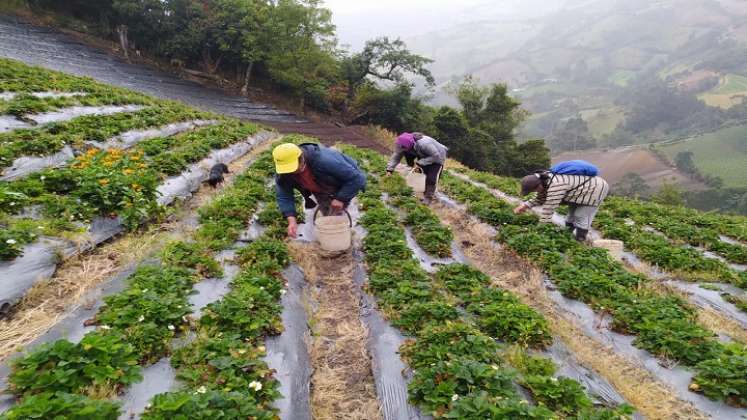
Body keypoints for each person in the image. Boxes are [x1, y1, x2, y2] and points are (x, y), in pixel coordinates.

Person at [273, 142, 367, 238]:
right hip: (319, 188)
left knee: (339, 211)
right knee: (328, 213)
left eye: (292, 168)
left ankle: (343, 236)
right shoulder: (284, 173)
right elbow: (284, 195)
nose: (290, 172)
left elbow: (357, 179)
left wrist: (341, 198)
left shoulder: (324, 161)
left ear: (301, 159)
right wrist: (291, 220)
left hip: (342, 182)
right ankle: (331, 238)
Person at [513, 168, 609, 242]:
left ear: (539, 185)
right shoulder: (545, 182)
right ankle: (567, 236)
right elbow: (540, 198)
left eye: (533, 190)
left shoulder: (556, 185)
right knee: (570, 216)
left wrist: (540, 230)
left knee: (581, 216)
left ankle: (580, 241)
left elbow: (549, 209)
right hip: (577, 192)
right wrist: (524, 206)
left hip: (595, 189)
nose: (533, 192)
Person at [386, 132, 448, 204]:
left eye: (406, 149)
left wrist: (420, 163)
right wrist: (389, 170)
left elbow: (435, 156)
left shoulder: (424, 144)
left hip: (438, 156)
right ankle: (419, 193)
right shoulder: (401, 143)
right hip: (423, 154)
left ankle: (428, 197)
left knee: (431, 177)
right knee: (419, 174)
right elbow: (396, 156)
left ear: (412, 145)